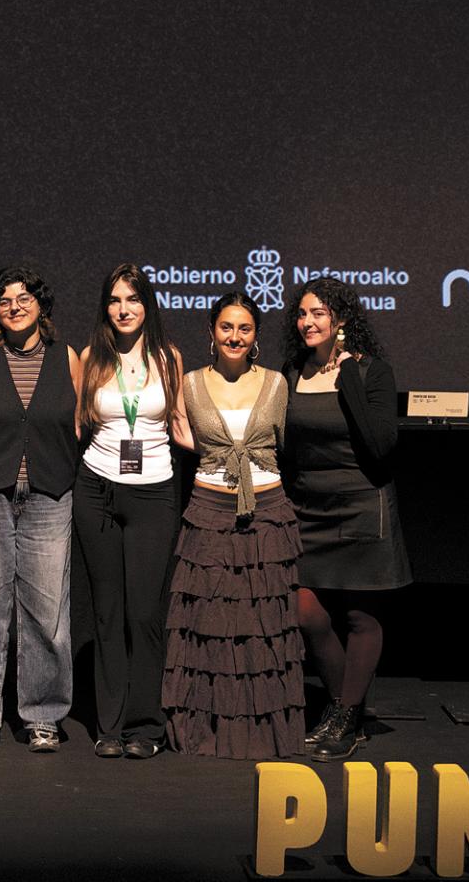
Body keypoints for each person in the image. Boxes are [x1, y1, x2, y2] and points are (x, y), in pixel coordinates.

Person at [163, 292, 302, 758]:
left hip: (267, 515)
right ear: (211, 332)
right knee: (210, 624)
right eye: (226, 327)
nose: (235, 337)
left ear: (255, 335)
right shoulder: (190, 384)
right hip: (208, 513)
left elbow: (284, 446)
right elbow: (184, 437)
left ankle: (265, 734)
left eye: (244, 328)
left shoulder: (277, 383)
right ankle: (207, 731)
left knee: (263, 629)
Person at [0, 266, 82, 753]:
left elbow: (76, 425)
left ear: (41, 306)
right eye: (5, 300)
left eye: (24, 297)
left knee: (47, 610)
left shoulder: (66, 358)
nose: (14, 306)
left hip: (49, 494)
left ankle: (43, 715)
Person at [281, 277, 410, 761]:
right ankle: (344, 708)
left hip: (362, 503)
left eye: (319, 314)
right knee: (303, 610)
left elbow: (381, 444)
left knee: (360, 616)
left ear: (341, 322)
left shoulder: (371, 372)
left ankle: (345, 718)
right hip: (307, 507)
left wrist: (348, 374)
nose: (308, 322)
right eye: (303, 313)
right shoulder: (292, 370)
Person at [72, 263, 186, 760]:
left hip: (154, 492)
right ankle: (110, 727)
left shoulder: (169, 358)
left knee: (144, 613)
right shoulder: (91, 359)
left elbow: (182, 428)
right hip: (96, 489)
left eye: (133, 299)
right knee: (106, 612)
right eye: (116, 300)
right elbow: (77, 427)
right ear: (106, 306)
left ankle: (147, 726)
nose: (124, 309)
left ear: (148, 305)